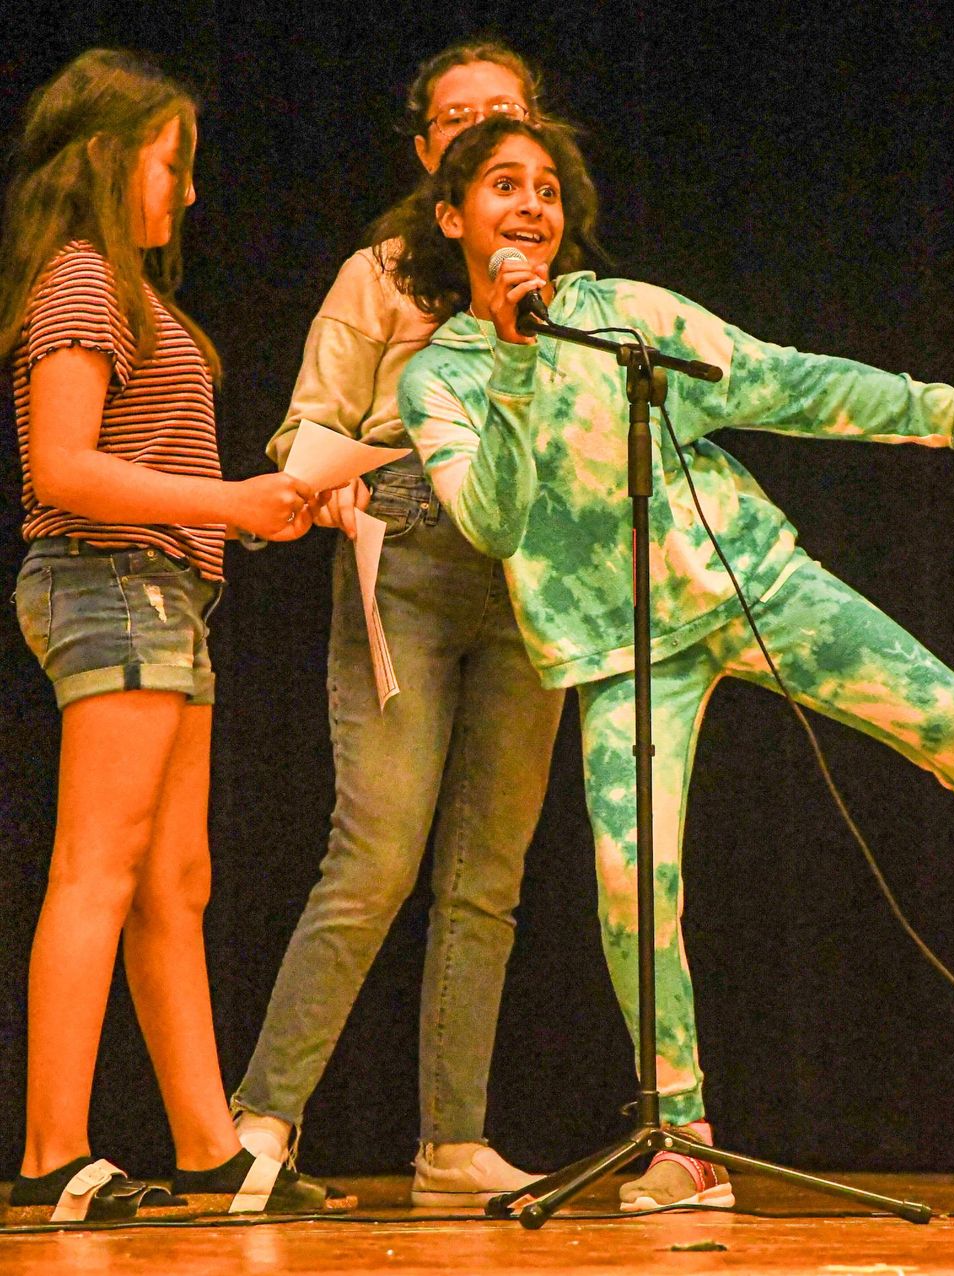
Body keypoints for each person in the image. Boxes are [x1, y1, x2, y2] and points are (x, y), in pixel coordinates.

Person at [388, 116, 954, 1210]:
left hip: (751, 583)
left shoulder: (624, 316)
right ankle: (683, 1137)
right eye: (506, 186)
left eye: (548, 188)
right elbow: (495, 520)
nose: (533, 207)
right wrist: (510, 353)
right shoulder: (437, 381)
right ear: (454, 217)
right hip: (621, 652)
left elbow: (794, 385)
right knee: (630, 885)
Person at [0, 49, 350, 1221]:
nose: (188, 191)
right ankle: (54, 1146)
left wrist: (265, 502)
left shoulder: (130, 293)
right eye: (171, 163)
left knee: (174, 880)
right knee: (97, 867)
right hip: (108, 584)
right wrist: (232, 504)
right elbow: (60, 467)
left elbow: (147, 467)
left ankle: (209, 1143)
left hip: (163, 594)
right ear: (107, 159)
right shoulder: (82, 280)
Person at [229, 41, 566, 1207]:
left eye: (509, 126)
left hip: (528, 577)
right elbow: (301, 425)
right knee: (375, 851)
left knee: (490, 875)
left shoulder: (567, 290)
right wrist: (328, 479)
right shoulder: (381, 272)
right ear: (433, 159)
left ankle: (453, 1141)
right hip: (408, 555)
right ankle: (261, 1123)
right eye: (462, 125)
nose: (494, 151)